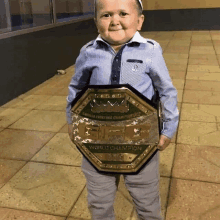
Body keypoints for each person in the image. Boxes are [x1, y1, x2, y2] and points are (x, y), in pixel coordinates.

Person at [66, 0, 179, 219]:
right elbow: (76, 89)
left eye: (123, 13)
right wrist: (72, 122)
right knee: (99, 202)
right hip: (97, 144)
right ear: (96, 21)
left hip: (141, 143)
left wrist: (168, 128)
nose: (115, 20)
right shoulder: (88, 52)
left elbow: (167, 91)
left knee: (147, 201)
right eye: (106, 15)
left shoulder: (151, 51)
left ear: (139, 20)